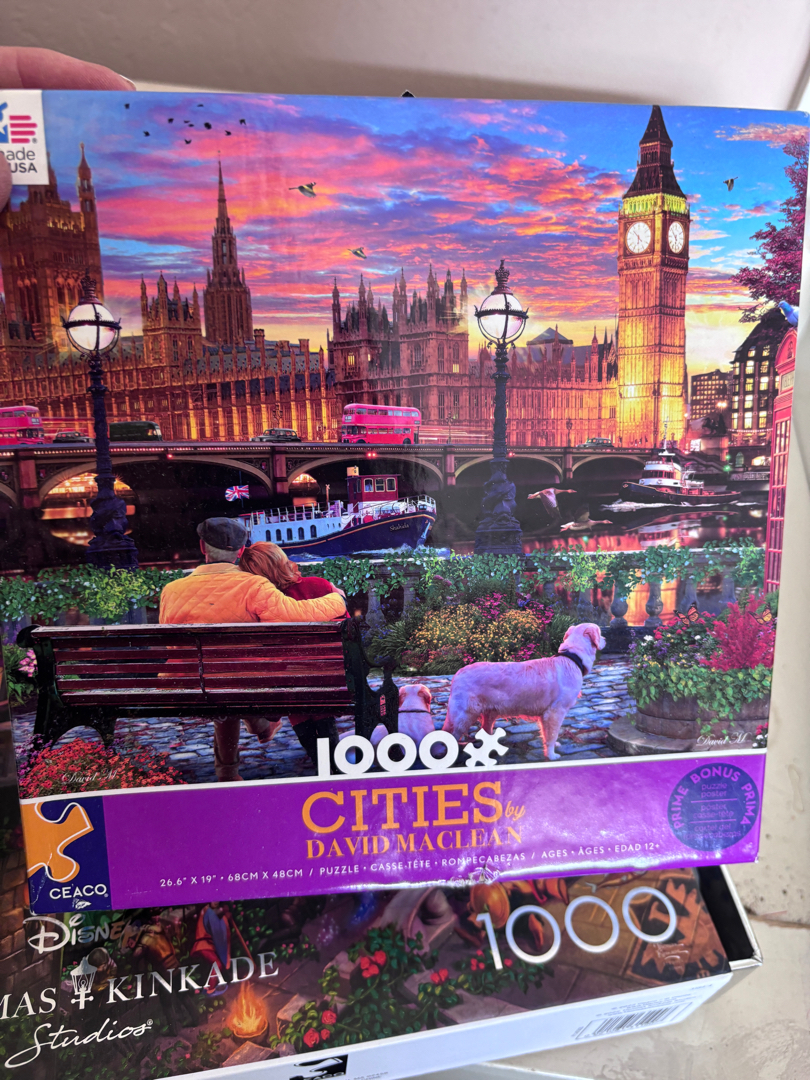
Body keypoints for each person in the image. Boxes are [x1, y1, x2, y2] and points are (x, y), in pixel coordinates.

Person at [160, 518, 346, 780]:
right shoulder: (253, 585)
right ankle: (256, 731)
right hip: (239, 682)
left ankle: (230, 768)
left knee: (217, 678)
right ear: (240, 551)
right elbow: (295, 614)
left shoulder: (171, 590)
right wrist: (337, 600)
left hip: (188, 684)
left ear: (202, 547)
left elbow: (171, 643)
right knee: (230, 678)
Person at [238, 541, 346, 761]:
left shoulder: (260, 603)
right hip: (329, 678)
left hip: (288, 686)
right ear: (282, 561)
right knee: (307, 675)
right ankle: (331, 760)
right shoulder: (319, 586)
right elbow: (347, 631)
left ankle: (318, 758)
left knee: (289, 676)